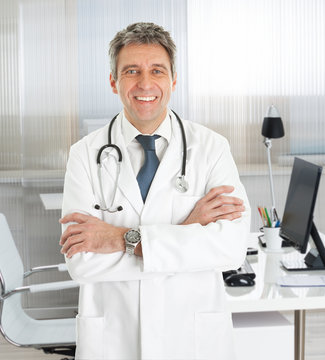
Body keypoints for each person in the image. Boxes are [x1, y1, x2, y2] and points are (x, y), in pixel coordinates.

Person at [59, 22, 250, 360]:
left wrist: (119, 240)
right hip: (116, 340)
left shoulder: (211, 148)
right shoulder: (85, 154)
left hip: (191, 338)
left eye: (157, 71)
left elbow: (231, 247)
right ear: (113, 81)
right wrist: (189, 232)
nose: (145, 84)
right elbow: (82, 262)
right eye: (131, 71)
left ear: (173, 80)